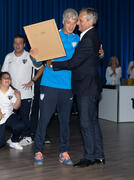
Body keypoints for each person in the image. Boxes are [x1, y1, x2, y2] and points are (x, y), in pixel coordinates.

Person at [49, 8, 105, 168]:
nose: (77, 22)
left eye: (80, 20)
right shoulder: (92, 36)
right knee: (93, 122)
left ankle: (89, 156)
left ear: (89, 21)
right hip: (91, 86)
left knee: (86, 123)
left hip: (86, 87)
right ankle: (99, 155)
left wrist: (53, 63)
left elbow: (73, 63)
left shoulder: (87, 39)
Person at [32, 8, 80, 166]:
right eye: (68, 22)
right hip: (49, 85)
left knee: (65, 121)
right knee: (44, 119)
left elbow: (82, 60)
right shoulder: (52, 36)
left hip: (67, 87)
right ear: (63, 21)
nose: (71, 25)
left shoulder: (77, 39)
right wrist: (35, 56)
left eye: (74, 23)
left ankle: (64, 152)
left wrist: (98, 53)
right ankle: (38, 151)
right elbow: (39, 62)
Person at [2, 34, 44, 146]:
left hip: (26, 93)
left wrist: (33, 81)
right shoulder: (8, 57)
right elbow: (4, 74)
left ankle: (27, 137)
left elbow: (41, 68)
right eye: (15, 43)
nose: (18, 45)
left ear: (24, 45)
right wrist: (9, 88)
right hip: (11, 94)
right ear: (13, 44)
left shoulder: (29, 56)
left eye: (20, 43)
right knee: (11, 117)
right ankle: (15, 136)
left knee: (26, 117)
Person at [0, 72, 24, 152]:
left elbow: (16, 107)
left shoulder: (13, 91)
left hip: (7, 116)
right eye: (5, 77)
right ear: (0, 80)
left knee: (19, 125)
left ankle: (14, 141)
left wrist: (18, 98)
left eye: (9, 78)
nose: (7, 79)